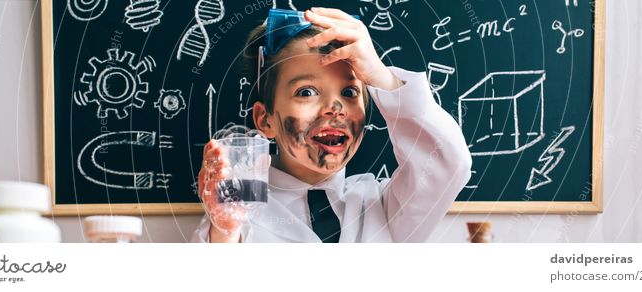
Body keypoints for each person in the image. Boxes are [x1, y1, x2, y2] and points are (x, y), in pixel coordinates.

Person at [191, 7, 472, 243]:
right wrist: (225, 230)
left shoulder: (384, 206)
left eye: (349, 93)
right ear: (266, 120)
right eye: (306, 92)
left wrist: (380, 75)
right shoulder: (241, 210)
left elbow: (449, 161)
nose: (333, 109)